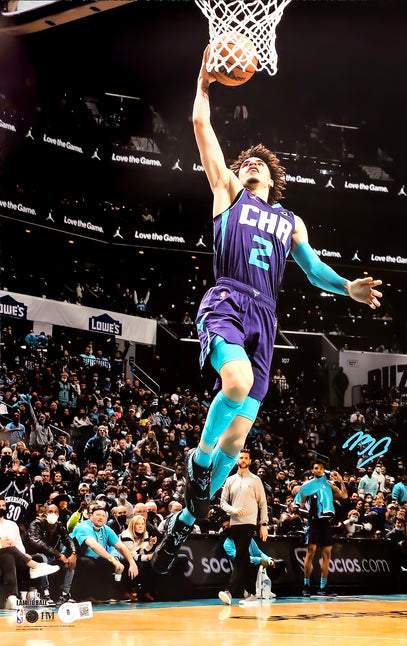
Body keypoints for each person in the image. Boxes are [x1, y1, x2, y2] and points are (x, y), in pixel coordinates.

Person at [151, 45, 382, 575]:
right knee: (234, 384)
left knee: (237, 439)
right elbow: (201, 126)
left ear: (274, 179)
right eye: (244, 162)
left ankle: (184, 521)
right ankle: (197, 462)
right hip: (229, 298)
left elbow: (313, 270)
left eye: (258, 163)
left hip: (266, 318)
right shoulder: (229, 192)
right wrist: (203, 84)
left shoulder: (291, 221)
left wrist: (347, 287)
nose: (249, 164)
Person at [217, 449, 268, 606]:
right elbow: (223, 502)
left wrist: (263, 524)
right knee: (244, 558)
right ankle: (251, 593)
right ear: (237, 460)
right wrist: (233, 510)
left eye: (246, 458)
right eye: (241, 457)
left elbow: (263, 503)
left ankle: (229, 591)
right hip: (235, 523)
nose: (243, 460)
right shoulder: (230, 480)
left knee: (239, 556)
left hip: (249, 523)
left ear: (250, 461)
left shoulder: (256, 480)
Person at [294, 462, 347, 596]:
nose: (319, 470)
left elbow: (344, 495)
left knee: (327, 553)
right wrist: (297, 494)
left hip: (325, 522)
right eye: (316, 468)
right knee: (310, 552)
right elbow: (301, 503)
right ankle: (306, 585)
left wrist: (341, 481)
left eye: (321, 468)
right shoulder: (309, 485)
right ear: (312, 470)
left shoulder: (329, 485)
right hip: (313, 521)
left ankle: (323, 587)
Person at [70, 506, 138, 602]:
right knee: (89, 563)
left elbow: (121, 546)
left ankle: (120, 593)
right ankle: (83, 596)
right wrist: (113, 559)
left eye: (103, 515)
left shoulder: (106, 529)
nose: (101, 517)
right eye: (98, 515)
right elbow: (93, 545)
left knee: (125, 563)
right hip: (76, 556)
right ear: (90, 516)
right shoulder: (84, 527)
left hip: (95, 558)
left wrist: (132, 562)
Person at [25, 503, 77, 604]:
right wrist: (59, 554)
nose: (53, 514)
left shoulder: (59, 525)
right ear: (44, 514)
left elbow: (68, 540)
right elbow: (37, 543)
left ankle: (65, 594)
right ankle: (45, 592)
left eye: (55, 512)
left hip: (52, 555)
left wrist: (73, 554)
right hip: (34, 556)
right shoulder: (36, 524)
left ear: (58, 515)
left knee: (71, 561)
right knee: (42, 558)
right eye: (50, 512)